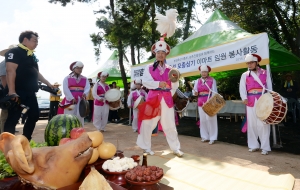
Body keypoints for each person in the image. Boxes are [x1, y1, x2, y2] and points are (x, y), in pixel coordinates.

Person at [136, 37, 183, 157]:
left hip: (166, 98)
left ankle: (175, 148)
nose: (161, 55)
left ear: (166, 54)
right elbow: (145, 81)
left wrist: (170, 90)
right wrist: (158, 84)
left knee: (170, 124)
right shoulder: (149, 67)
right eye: (158, 52)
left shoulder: (171, 69)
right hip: (153, 98)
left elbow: (175, 84)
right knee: (148, 122)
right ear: (155, 53)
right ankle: (146, 147)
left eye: (163, 52)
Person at [4, 31, 54, 141]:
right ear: (25, 40)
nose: (37, 43)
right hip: (18, 92)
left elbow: (36, 72)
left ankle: (26, 140)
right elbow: (10, 71)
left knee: (34, 115)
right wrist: (12, 91)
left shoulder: (31, 55)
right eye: (35, 41)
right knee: (13, 118)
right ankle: (7, 144)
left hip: (30, 92)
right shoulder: (14, 52)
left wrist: (49, 84)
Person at [239, 53, 272, 155]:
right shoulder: (245, 75)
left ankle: (265, 147)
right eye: (248, 63)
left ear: (257, 62)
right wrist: (244, 97)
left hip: (263, 99)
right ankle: (253, 145)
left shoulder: (265, 72)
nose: (250, 65)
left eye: (251, 63)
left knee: (263, 123)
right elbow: (242, 88)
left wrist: (271, 98)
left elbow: (269, 86)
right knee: (252, 124)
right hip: (250, 100)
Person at [193, 65, 218, 145]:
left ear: (208, 72)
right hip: (201, 101)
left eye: (205, 72)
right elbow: (194, 91)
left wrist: (213, 102)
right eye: (202, 72)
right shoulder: (197, 81)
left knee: (211, 119)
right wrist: (195, 93)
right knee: (203, 120)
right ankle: (204, 136)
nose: (204, 73)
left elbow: (215, 92)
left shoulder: (212, 80)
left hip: (209, 101)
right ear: (200, 72)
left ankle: (212, 137)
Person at [60, 61, 90, 127]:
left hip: (80, 100)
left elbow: (87, 87)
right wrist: (71, 98)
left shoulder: (85, 79)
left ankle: (80, 131)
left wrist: (85, 93)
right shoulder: (67, 78)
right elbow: (66, 89)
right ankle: (69, 130)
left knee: (80, 115)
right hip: (70, 101)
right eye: (78, 68)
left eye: (81, 68)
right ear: (74, 69)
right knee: (69, 116)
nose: (80, 70)